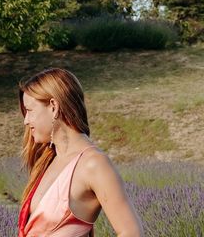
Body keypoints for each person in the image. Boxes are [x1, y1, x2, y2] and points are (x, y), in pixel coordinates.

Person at [17, 68, 143, 237]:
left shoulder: (93, 164)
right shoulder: (50, 159)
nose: (26, 121)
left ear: (53, 107)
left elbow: (131, 232)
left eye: (30, 111)